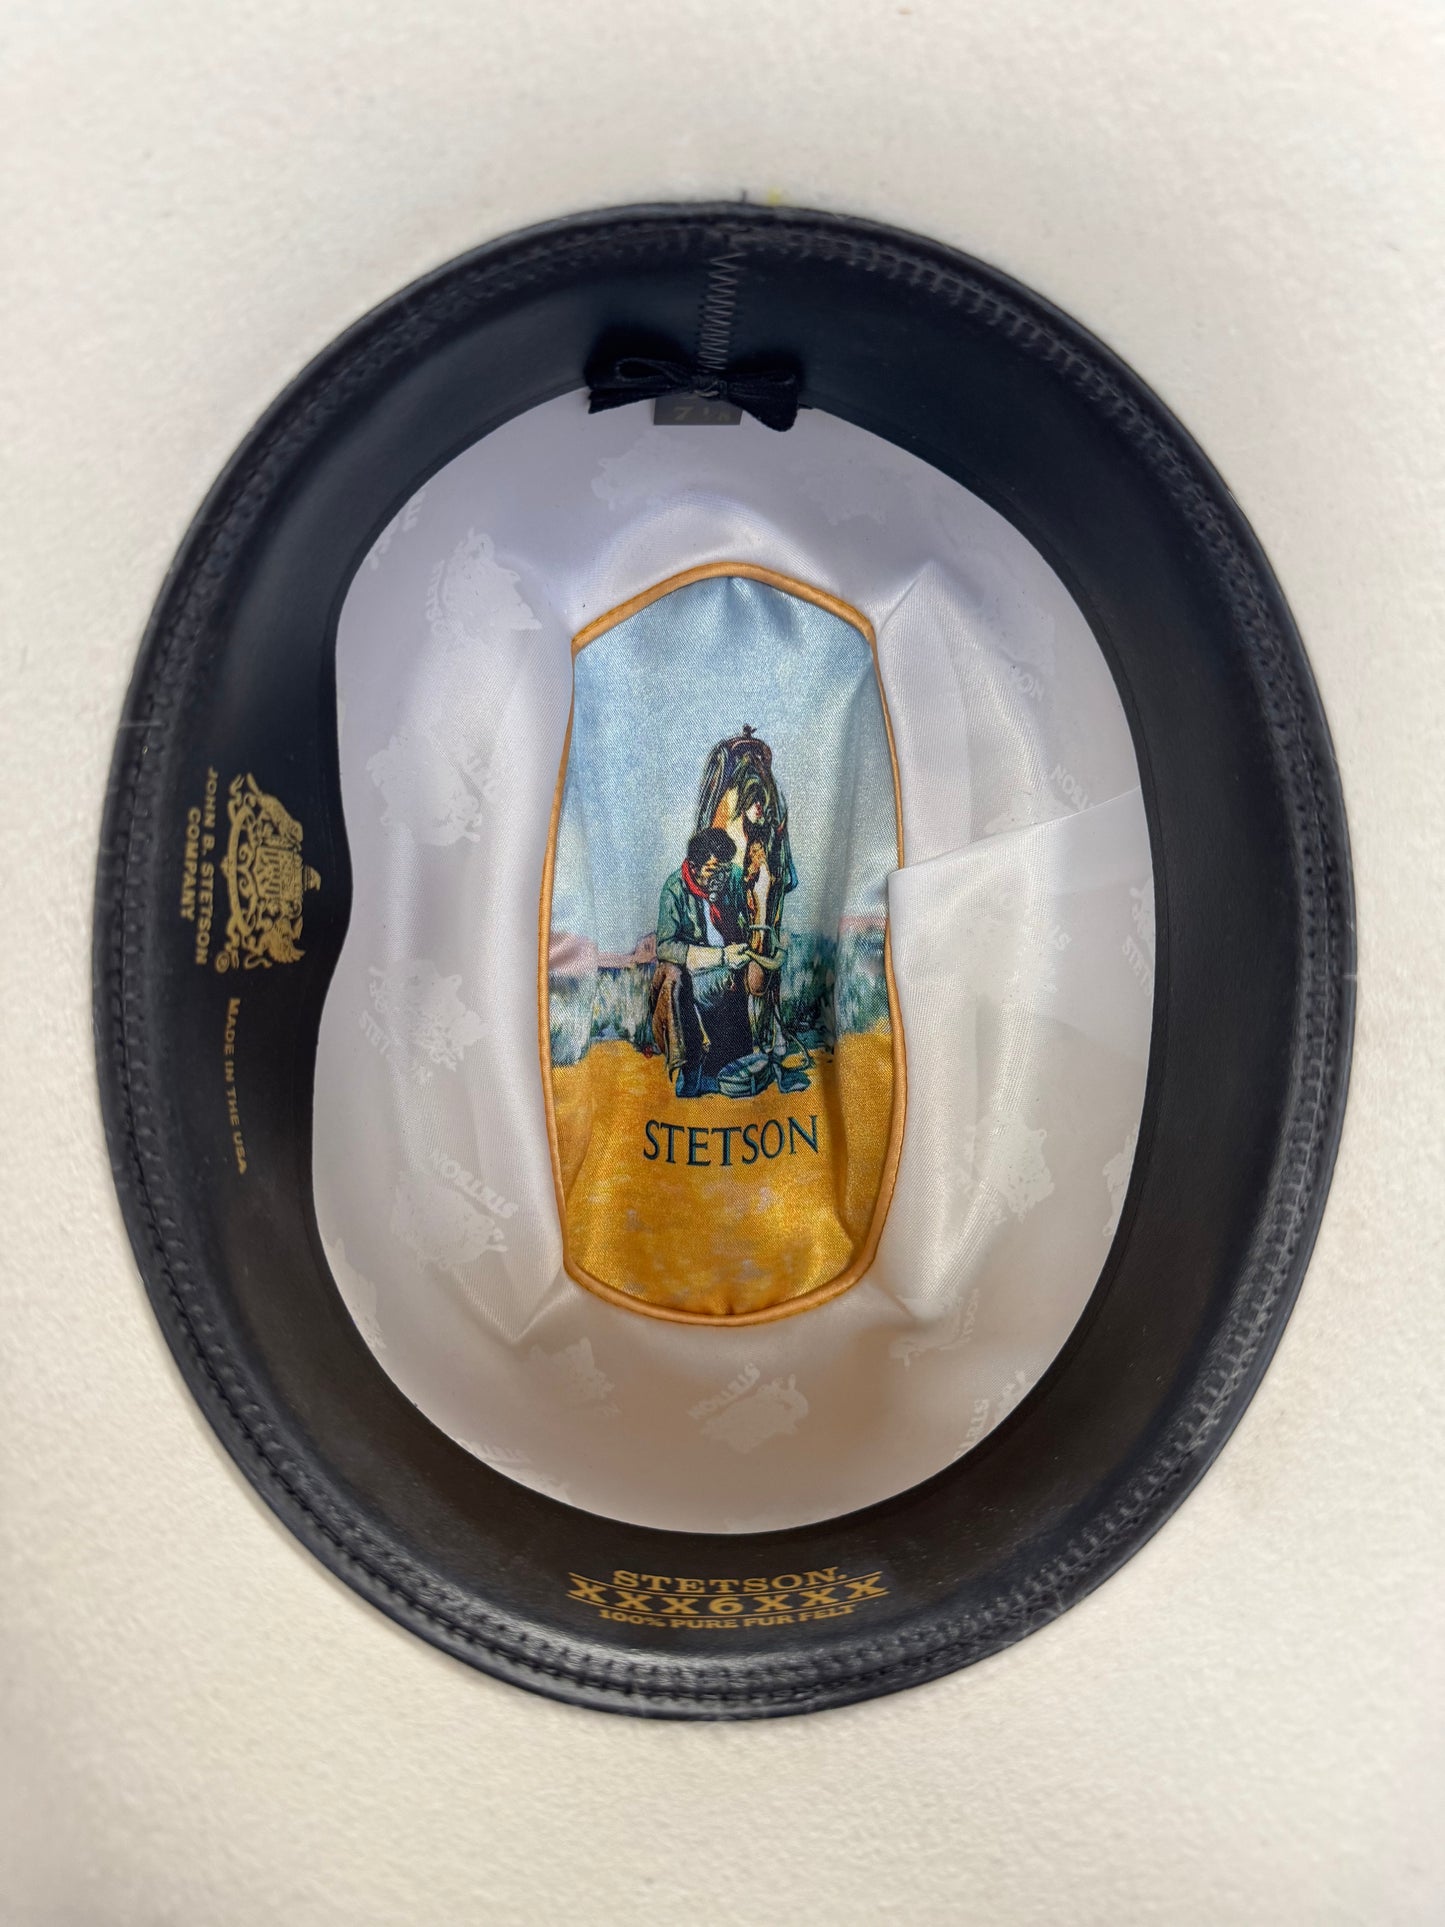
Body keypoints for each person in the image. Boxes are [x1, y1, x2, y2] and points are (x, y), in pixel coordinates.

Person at [649, 828, 753, 1098]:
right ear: (694, 868)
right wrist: (721, 956)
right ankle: (691, 1068)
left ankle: (716, 1066)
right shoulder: (674, 890)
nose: (722, 879)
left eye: (726, 870)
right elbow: (665, 946)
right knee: (673, 977)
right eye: (714, 871)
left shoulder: (733, 878)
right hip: (695, 978)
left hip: (729, 975)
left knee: (740, 1057)